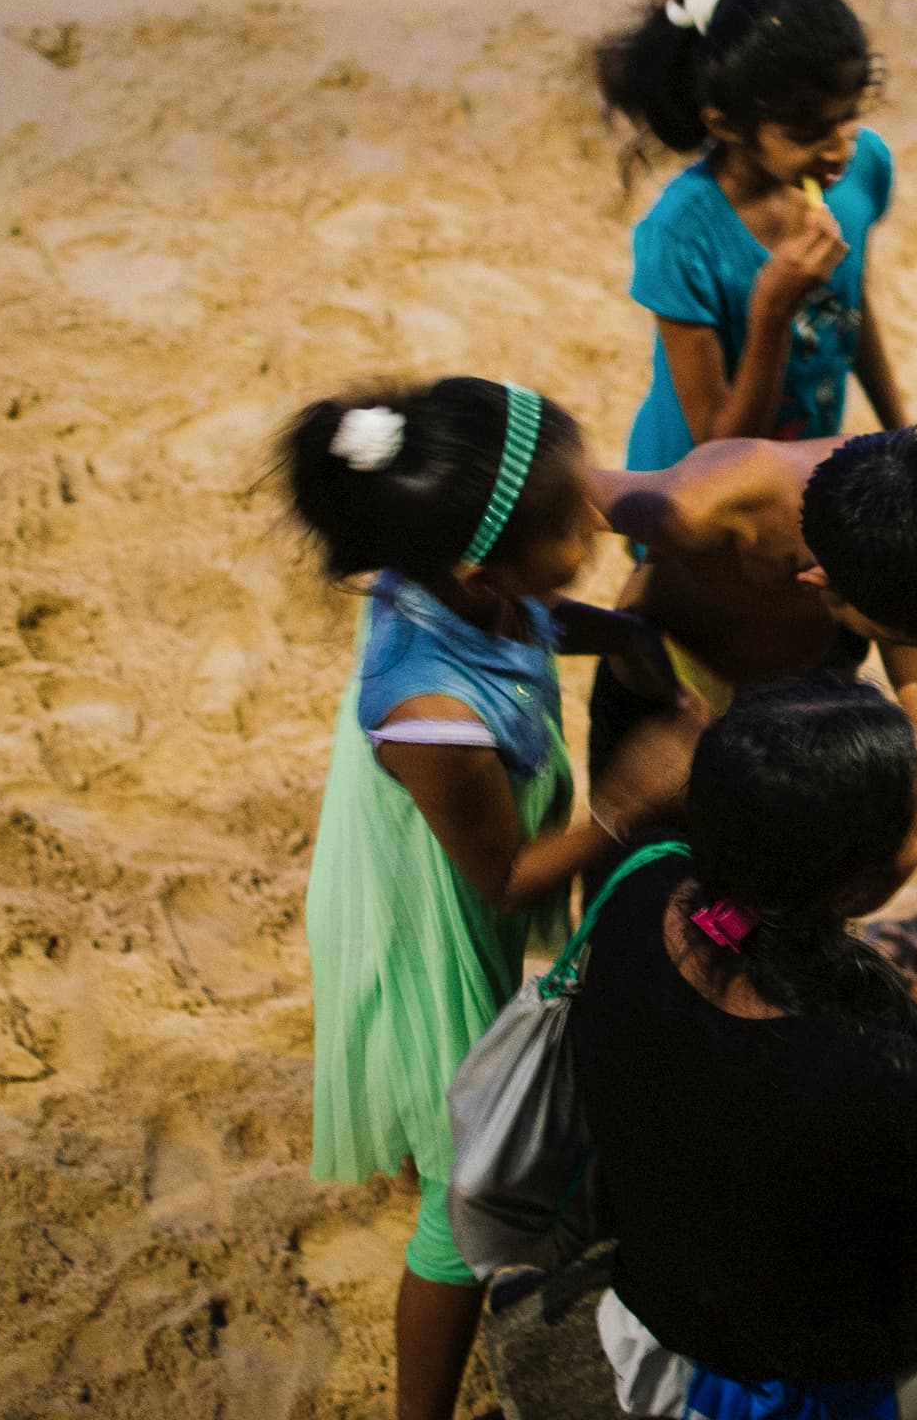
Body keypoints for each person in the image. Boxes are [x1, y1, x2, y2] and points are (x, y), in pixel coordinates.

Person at [280, 378, 704, 1420]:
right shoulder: (430, 717)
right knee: (455, 1199)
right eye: (570, 524)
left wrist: (625, 637)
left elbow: (537, 616)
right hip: (425, 924)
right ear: (482, 569)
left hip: (455, 870)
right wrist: (626, 801)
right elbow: (506, 877)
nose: (595, 521)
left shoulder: (455, 572)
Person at [571, 678, 917, 1409]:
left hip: (662, 1286)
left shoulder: (644, 886)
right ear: (854, 891)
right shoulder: (870, 1078)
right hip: (799, 1359)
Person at [591, 427, 917, 884]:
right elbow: (557, 491)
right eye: (885, 634)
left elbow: (909, 647)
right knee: (639, 887)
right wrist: (538, 628)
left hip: (789, 717)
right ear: (817, 586)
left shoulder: (895, 515)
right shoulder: (704, 504)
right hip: (665, 711)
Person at [596, 0, 907, 462]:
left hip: (798, 474)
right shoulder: (679, 236)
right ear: (726, 124)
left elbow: (851, 308)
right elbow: (717, 454)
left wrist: (904, 435)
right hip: (691, 497)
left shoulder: (862, 170)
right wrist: (771, 314)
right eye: (808, 133)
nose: (839, 147)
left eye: (850, 113)